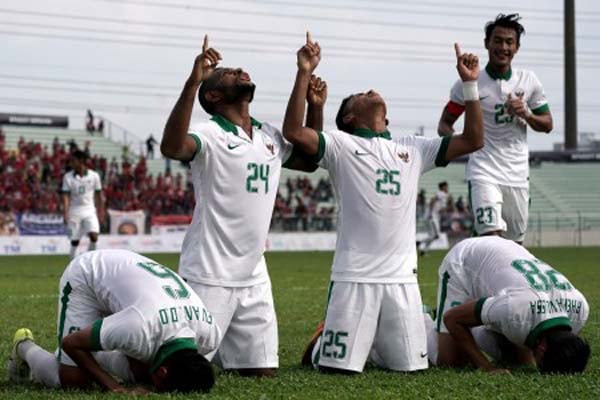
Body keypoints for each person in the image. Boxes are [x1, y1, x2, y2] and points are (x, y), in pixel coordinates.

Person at [285, 33, 483, 374]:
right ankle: (323, 342)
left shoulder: (413, 148)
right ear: (349, 117)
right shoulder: (340, 145)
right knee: (336, 371)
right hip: (354, 278)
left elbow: (474, 139)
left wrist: (470, 87)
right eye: (362, 94)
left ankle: (371, 340)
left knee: (411, 370)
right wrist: (304, 72)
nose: (371, 90)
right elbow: (293, 131)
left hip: (402, 281)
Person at [160, 35, 316, 377]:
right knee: (175, 371)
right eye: (230, 73)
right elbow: (172, 147)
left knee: (262, 373)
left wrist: (305, 78)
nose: (241, 71)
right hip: (209, 271)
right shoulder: (210, 133)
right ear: (213, 94)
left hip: (254, 273)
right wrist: (192, 83)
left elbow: (309, 160)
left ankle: (221, 349)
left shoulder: (268, 136)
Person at [8, 249, 220, 393]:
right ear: (163, 372)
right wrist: (115, 388)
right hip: (87, 275)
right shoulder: (138, 327)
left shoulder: (210, 334)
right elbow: (70, 343)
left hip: (129, 281)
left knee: (142, 373)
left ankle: (94, 354)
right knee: (75, 379)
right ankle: (23, 347)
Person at [437, 14, 553, 244]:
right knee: (491, 239)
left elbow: (548, 124)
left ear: (517, 47)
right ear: (486, 43)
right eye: (497, 40)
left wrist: (526, 114)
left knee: (514, 247)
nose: (503, 47)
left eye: (509, 42)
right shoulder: (469, 82)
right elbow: (444, 125)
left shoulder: (528, 81)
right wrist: (468, 146)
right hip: (483, 172)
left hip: (518, 175)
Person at [425, 236, 590, 374]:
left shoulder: (580, 309)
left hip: (507, 260)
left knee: (521, 361)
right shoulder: (515, 309)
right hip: (466, 259)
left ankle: (476, 316)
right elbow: (452, 318)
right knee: (451, 360)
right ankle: (422, 317)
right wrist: (487, 368)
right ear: (542, 348)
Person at [62, 150, 105, 259]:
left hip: (89, 209)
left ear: (81, 161)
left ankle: (89, 260)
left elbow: (99, 195)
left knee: (94, 236)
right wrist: (66, 212)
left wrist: (101, 211)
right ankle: (72, 265)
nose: (71, 163)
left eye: (74, 161)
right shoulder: (68, 177)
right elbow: (66, 196)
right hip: (74, 210)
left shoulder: (94, 176)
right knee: (75, 240)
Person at [419, 181, 449, 255]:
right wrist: (430, 213)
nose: (447, 188)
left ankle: (424, 251)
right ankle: (419, 242)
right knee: (435, 235)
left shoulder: (443, 195)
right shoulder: (440, 193)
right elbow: (432, 200)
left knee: (433, 236)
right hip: (432, 217)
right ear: (443, 187)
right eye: (446, 186)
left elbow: (440, 207)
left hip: (435, 217)